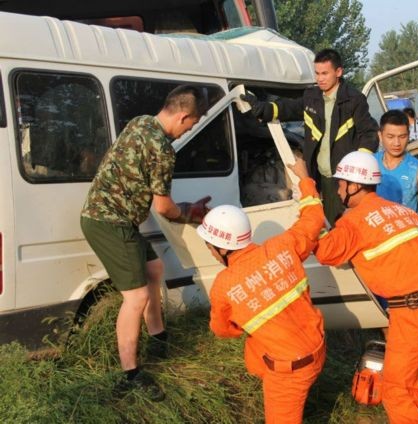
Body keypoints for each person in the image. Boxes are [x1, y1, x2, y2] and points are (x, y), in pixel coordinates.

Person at [80, 85, 210, 401]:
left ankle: (158, 337)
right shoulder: (163, 150)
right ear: (183, 116)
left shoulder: (139, 122)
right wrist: (191, 213)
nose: (189, 130)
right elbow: (164, 208)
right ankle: (131, 374)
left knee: (154, 268)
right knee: (136, 297)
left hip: (109, 216)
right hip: (109, 223)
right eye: (192, 124)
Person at [314, 151, 418, 423]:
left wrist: (310, 211)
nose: (338, 188)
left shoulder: (354, 221)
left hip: (412, 309)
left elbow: (326, 252)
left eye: (341, 183)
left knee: (395, 388)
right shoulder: (400, 210)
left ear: (354, 186)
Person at [197, 157, 325, 424]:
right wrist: (304, 178)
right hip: (318, 346)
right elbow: (313, 218)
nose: (209, 250)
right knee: (256, 349)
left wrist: (245, 319)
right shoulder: (283, 246)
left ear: (222, 248)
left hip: (290, 371)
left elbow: (223, 330)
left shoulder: (224, 285)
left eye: (209, 245)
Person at [241, 48, 379, 225]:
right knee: (318, 222)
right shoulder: (311, 96)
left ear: (338, 72)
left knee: (344, 225)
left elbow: (369, 133)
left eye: (325, 73)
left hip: (343, 179)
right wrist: (263, 108)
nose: (320, 78)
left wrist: (358, 169)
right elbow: (288, 108)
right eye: (317, 73)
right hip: (317, 176)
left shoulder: (354, 100)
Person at [375, 110, 418, 241]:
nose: (397, 143)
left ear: (409, 136)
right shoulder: (370, 164)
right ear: (380, 136)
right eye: (390, 137)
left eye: (402, 137)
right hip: (374, 239)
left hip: (406, 240)